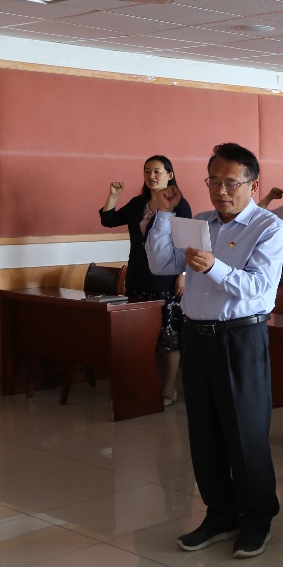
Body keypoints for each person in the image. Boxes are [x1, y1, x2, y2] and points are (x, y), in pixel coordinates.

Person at [145, 142, 283, 559]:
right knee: (204, 431)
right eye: (213, 181)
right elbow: (161, 265)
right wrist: (164, 215)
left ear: (253, 185)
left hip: (240, 338)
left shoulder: (267, 227)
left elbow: (260, 287)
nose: (221, 190)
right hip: (197, 336)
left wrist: (215, 267)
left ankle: (257, 518)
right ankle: (220, 513)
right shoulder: (200, 223)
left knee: (245, 432)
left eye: (231, 182)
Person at [100, 156, 191, 407]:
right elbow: (108, 220)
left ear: (169, 175)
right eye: (147, 171)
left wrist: (183, 275)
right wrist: (113, 195)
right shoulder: (138, 203)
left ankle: (169, 388)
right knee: (146, 336)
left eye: (157, 171)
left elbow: (185, 243)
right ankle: (152, 385)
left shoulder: (179, 204)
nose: (151, 176)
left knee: (168, 335)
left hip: (167, 278)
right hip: (139, 275)